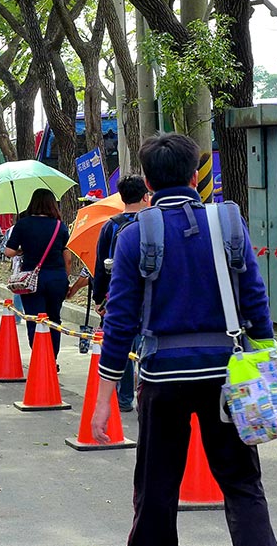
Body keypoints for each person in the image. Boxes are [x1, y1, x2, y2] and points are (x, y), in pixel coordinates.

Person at [89, 133, 277, 546]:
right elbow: (255, 300)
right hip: (226, 378)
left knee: (156, 491)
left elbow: (119, 322)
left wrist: (104, 402)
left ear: (150, 184)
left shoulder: (134, 236)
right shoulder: (228, 221)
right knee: (243, 485)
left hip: (161, 380)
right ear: (196, 177)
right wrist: (267, 360)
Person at [88, 175, 150, 412]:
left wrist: (99, 297)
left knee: (121, 346)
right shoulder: (152, 223)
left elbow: (100, 266)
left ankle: (124, 399)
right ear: (146, 196)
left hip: (118, 294)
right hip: (149, 296)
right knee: (144, 346)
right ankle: (145, 393)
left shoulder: (110, 226)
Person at [4, 188, 69, 351]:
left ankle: (39, 359)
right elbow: (67, 259)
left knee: (34, 319)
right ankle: (52, 359)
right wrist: (65, 279)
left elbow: (9, 252)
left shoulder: (22, 224)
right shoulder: (60, 227)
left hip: (32, 280)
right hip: (56, 278)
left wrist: (21, 250)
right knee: (54, 319)